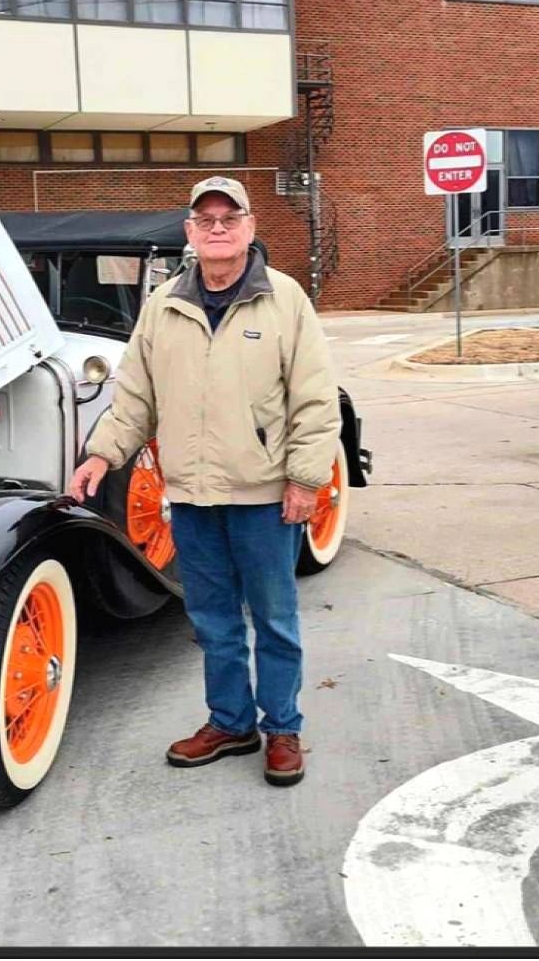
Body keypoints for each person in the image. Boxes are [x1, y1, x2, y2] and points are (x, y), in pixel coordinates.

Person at [69, 176, 341, 786]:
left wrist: (304, 478)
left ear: (249, 226)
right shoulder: (163, 304)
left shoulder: (285, 300)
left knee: (274, 619)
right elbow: (135, 394)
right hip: (189, 498)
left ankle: (283, 729)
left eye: (230, 218)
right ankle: (230, 723)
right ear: (190, 232)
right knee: (213, 620)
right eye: (205, 219)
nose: (218, 228)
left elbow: (315, 400)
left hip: (264, 497)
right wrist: (102, 455)